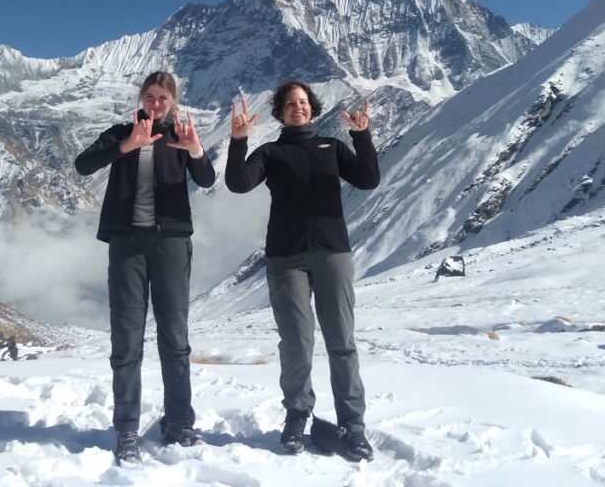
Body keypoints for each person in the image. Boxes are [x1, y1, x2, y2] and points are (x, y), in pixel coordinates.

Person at [225, 80, 380, 461]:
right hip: (285, 256)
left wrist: (362, 137)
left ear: (313, 107)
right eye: (291, 103)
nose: (299, 107)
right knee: (296, 342)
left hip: (332, 253)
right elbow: (237, 183)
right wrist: (239, 140)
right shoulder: (272, 153)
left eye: (304, 101)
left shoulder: (333, 147)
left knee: (341, 341)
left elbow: (368, 179)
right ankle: (297, 415)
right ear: (280, 111)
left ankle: (352, 426)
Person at [74, 71, 216, 465]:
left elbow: (206, 179)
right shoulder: (121, 131)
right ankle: (127, 429)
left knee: (175, 337)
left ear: (172, 101)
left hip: (170, 242)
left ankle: (179, 422)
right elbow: (83, 165)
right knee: (127, 339)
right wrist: (126, 145)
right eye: (149, 97)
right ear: (141, 98)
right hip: (127, 244)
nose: (155, 104)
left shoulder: (180, 135)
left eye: (162, 98)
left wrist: (196, 152)